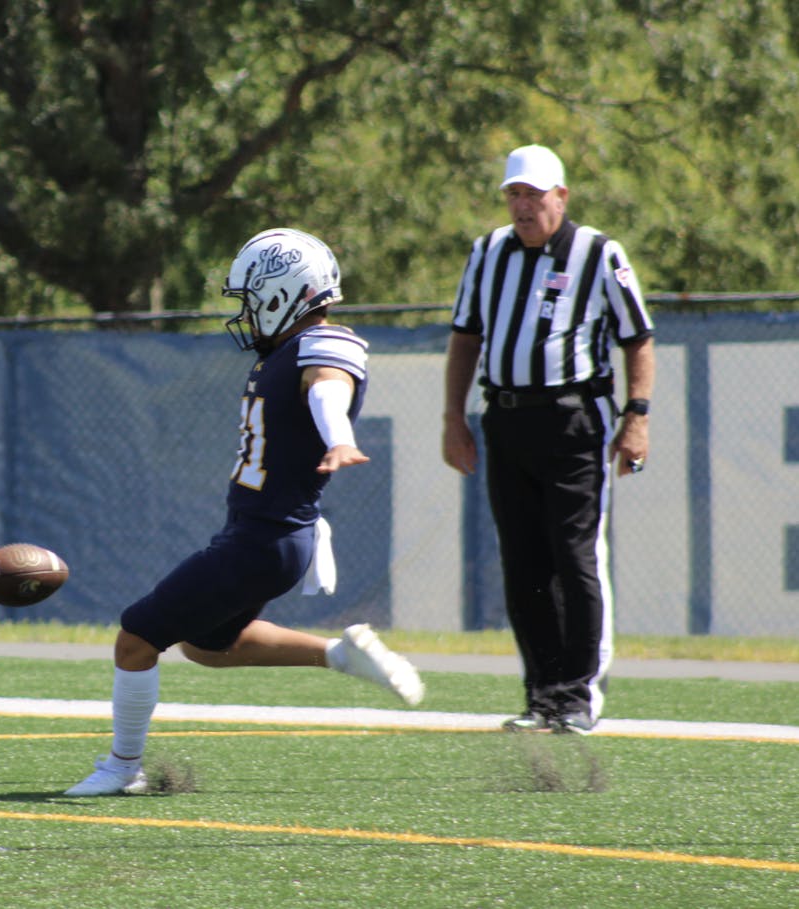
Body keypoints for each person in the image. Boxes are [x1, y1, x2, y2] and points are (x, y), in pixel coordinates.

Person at [65, 227, 425, 797]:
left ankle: (121, 768)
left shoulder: (323, 344)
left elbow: (326, 389)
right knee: (206, 647)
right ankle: (341, 655)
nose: (248, 314)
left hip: (264, 539)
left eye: (252, 300)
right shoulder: (287, 351)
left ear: (283, 294)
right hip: (267, 535)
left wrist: (338, 436)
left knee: (135, 638)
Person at [442, 144, 655, 736]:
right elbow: (466, 337)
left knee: (575, 556)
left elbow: (638, 337)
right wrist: (452, 418)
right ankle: (542, 696)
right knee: (523, 561)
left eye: (533, 194)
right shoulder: (487, 253)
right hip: (506, 418)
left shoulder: (598, 252)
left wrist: (636, 416)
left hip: (573, 422)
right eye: (514, 194)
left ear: (560, 196)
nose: (522, 205)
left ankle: (578, 695)